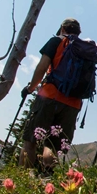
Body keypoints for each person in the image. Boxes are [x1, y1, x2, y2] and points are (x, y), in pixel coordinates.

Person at [19, 18, 87, 171]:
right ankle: (46, 179)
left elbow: (42, 67)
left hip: (50, 96)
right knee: (53, 146)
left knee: (30, 141)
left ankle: (22, 178)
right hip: (73, 103)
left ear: (62, 28)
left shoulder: (57, 41)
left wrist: (30, 88)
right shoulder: (84, 49)